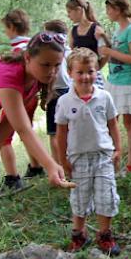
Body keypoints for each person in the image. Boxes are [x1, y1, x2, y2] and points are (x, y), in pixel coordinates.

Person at [0, 32, 70, 246]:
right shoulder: (9, 76)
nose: (52, 71)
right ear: (27, 57)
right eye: (45, 65)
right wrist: (50, 164)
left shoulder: (36, 79)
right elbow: (24, 129)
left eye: (57, 65)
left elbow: (10, 119)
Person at [56, 48, 122, 255]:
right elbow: (61, 133)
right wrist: (62, 160)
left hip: (103, 156)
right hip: (78, 158)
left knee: (106, 195)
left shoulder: (104, 97)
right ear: (70, 72)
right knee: (80, 197)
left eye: (91, 71)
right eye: (80, 72)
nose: (86, 77)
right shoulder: (65, 102)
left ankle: (105, 235)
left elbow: (113, 125)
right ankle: (79, 234)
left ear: (97, 72)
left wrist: (118, 149)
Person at [0, 9, 44, 192]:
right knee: (27, 130)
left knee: (3, 137)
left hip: (19, 97)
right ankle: (36, 166)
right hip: (32, 95)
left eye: (5, 28)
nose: (5, 32)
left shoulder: (17, 49)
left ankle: (12, 177)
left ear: (11, 27)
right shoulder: (32, 45)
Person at [99, 0, 131, 174]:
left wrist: (109, 51)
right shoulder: (118, 30)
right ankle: (112, 162)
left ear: (118, 9)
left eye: (109, 8)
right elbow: (118, 52)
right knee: (111, 122)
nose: (107, 12)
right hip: (114, 81)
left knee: (129, 123)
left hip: (128, 82)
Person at [42, 20, 72, 165]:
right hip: (70, 91)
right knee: (68, 129)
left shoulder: (53, 52)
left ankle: (58, 164)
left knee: (54, 133)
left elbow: (54, 75)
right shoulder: (68, 50)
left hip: (56, 92)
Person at [66, 0, 109, 88]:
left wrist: (97, 68)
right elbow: (72, 54)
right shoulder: (72, 31)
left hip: (93, 77)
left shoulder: (96, 29)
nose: (68, 16)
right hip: (78, 77)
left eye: (69, 12)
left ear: (78, 10)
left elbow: (106, 52)